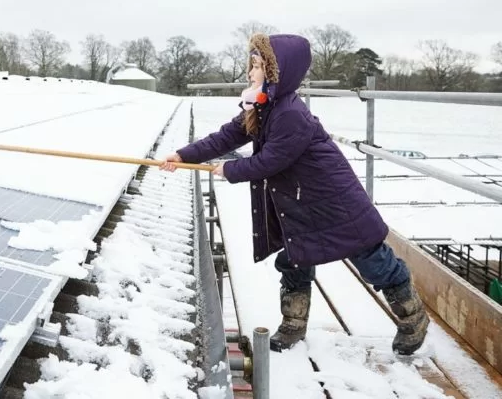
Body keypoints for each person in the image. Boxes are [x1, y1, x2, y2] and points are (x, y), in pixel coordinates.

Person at [160, 33, 429, 355]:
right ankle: (294, 323)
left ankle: (413, 318)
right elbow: (228, 135)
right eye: (252, 65)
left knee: (372, 260)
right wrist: (184, 155)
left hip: (334, 201)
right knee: (294, 257)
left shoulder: (289, 113)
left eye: (258, 66)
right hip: (301, 200)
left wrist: (231, 170)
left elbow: (274, 159)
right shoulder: (262, 105)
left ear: (277, 73)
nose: (251, 73)